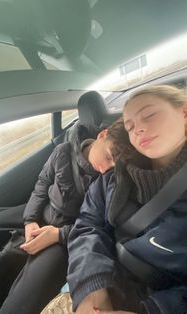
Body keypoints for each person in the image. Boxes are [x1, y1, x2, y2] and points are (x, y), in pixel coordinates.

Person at [67, 85, 187, 314]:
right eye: (129, 126)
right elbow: (86, 226)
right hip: (106, 284)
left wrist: (152, 309)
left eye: (149, 115)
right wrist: (90, 286)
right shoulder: (111, 180)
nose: (138, 129)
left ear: (184, 112)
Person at [0, 119, 125, 314]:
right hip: (43, 211)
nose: (106, 169)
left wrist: (58, 233)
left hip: (67, 235)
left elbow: (97, 226)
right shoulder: (63, 151)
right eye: (108, 157)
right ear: (102, 135)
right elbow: (42, 183)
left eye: (114, 166)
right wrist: (30, 219)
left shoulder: (108, 181)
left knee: (20, 303)